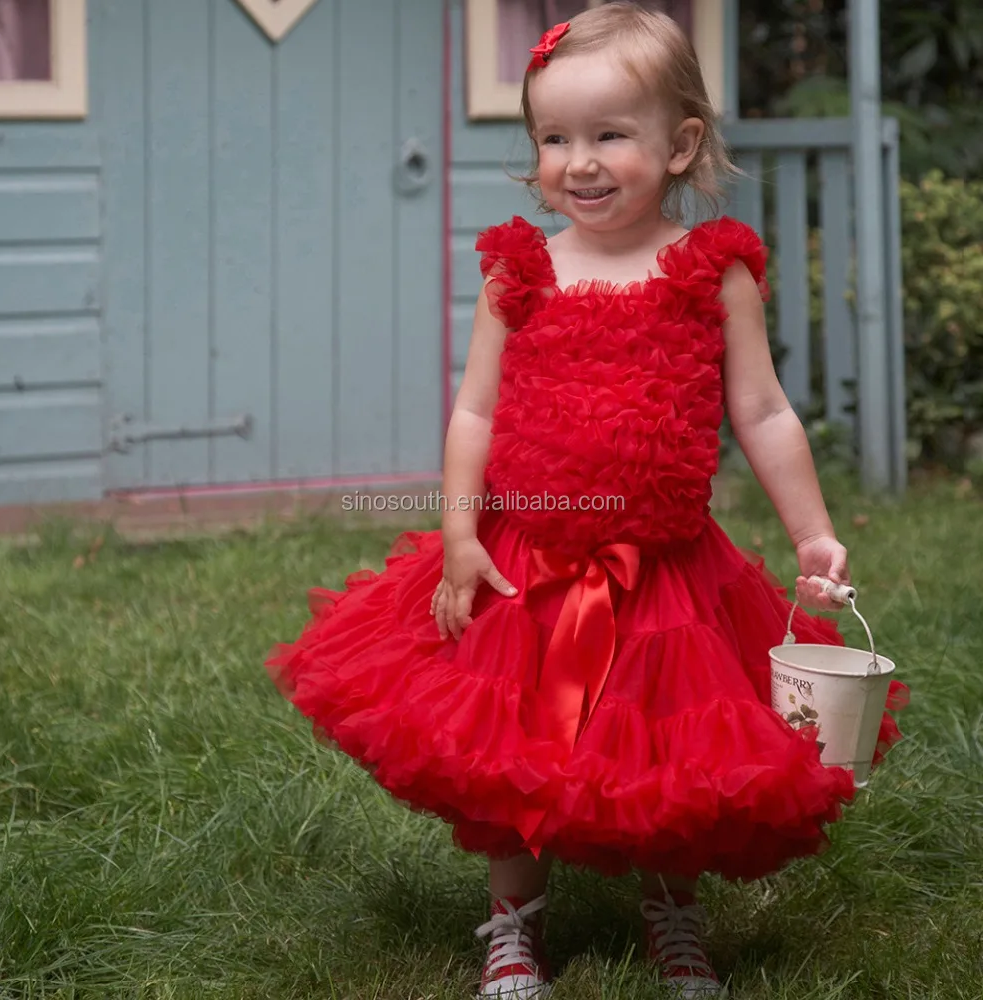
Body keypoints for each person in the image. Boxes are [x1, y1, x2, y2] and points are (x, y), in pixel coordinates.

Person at [266, 4, 907, 997]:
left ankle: (671, 905)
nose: (581, 161)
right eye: (555, 138)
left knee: (669, 742)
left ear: (679, 143)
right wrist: (459, 531)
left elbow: (764, 409)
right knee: (513, 744)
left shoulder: (709, 273)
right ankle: (514, 921)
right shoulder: (520, 271)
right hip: (530, 561)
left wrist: (813, 533)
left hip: (667, 572)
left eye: (609, 134)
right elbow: (475, 411)